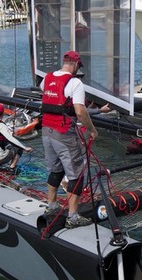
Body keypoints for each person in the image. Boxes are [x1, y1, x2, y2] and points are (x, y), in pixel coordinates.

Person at [40, 50, 99, 228]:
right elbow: (80, 111)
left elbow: (48, 97)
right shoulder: (75, 83)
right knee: (76, 175)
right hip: (63, 133)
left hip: (46, 131)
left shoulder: (47, 78)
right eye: (78, 66)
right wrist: (92, 129)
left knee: (55, 170)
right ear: (75, 65)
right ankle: (73, 217)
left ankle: (51, 206)